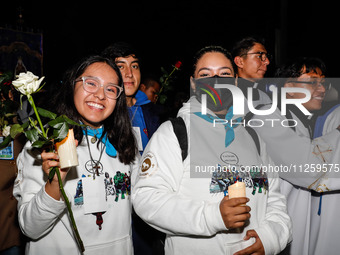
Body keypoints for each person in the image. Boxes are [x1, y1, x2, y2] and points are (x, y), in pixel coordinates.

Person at [132, 45, 291, 255]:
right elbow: (147, 198)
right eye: (205, 74)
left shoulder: (253, 136)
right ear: (194, 83)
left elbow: (275, 198)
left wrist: (270, 238)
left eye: (224, 74)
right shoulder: (175, 132)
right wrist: (212, 216)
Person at [13, 55, 139, 255]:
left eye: (111, 89)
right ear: (73, 85)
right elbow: (30, 228)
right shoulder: (45, 146)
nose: (100, 95)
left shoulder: (124, 145)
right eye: (91, 83)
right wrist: (54, 186)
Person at [250, 57, 340, 254]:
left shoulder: (297, 120)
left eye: (323, 83)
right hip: (269, 229)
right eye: (312, 82)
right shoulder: (268, 117)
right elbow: (310, 170)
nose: (322, 89)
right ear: (289, 87)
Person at [101, 42, 160, 153]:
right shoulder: (99, 110)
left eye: (134, 66)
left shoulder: (152, 111)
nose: (130, 73)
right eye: (120, 66)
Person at [232, 36, 272, 108]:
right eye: (259, 56)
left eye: (266, 57)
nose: (267, 62)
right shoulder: (225, 96)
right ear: (240, 62)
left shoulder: (265, 98)